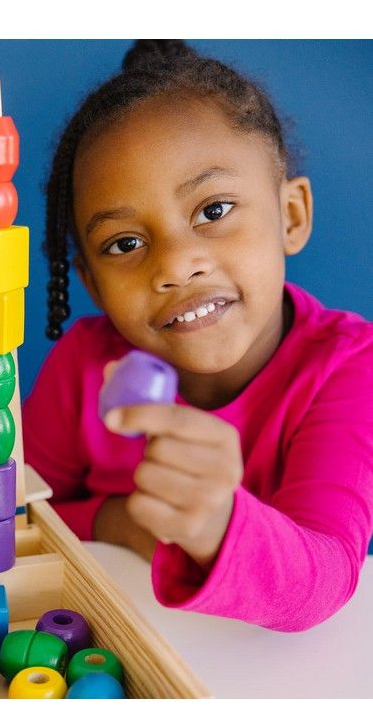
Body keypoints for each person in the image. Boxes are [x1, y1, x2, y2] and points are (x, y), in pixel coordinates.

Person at [22, 40, 373, 632]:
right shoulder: (85, 365)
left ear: (290, 215)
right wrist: (121, 523)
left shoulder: (348, 366)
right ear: (93, 284)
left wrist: (214, 526)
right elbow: (13, 518)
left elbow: (325, 578)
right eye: (125, 244)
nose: (177, 265)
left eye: (213, 211)